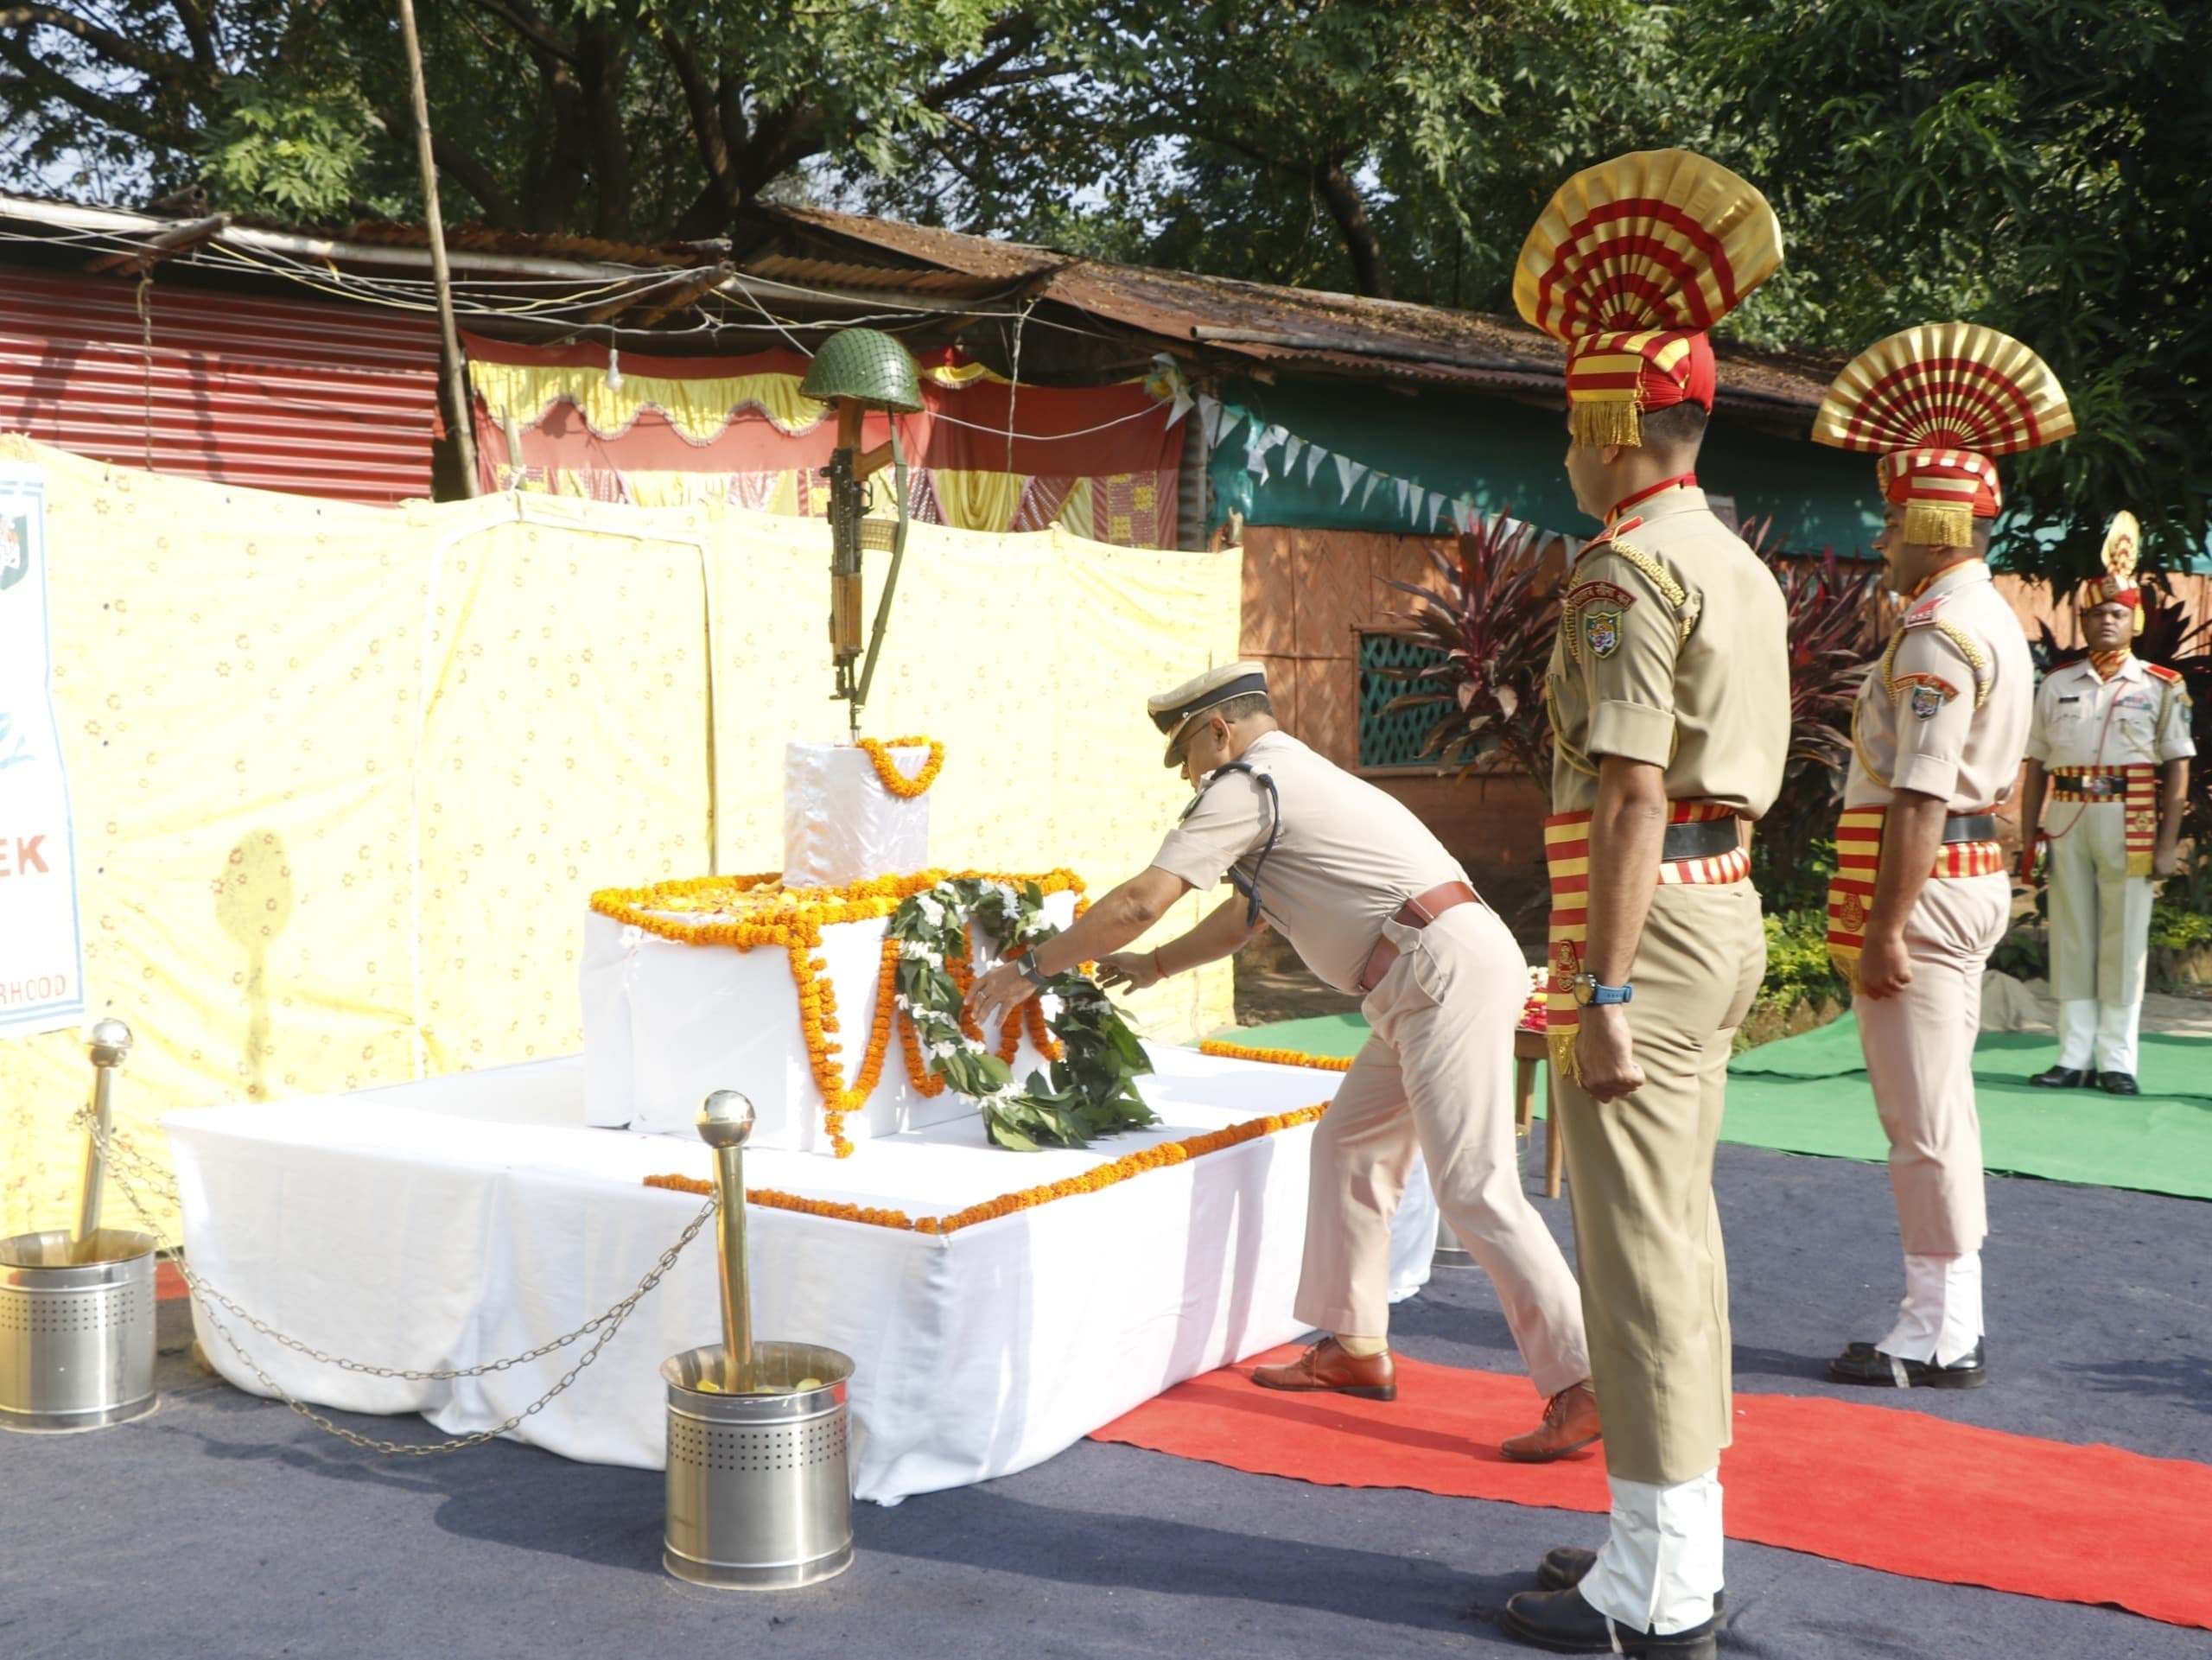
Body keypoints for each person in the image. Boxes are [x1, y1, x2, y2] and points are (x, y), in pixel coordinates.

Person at [964, 661, 1597, 1460]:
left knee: (1473, 1185)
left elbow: (1138, 901)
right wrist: (1155, 968)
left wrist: (1030, 968)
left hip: (1435, 972)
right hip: (1423, 972)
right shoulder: (1289, 778)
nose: (1188, 776)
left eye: (1188, 755)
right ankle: (1357, 1347)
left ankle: (1581, 1381)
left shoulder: (1247, 783)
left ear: (1217, 731)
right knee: (1350, 1143)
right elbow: (1241, 919)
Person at [1494, 149, 1789, 1660]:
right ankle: (1666, 1543)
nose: (1563, 453)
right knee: (1677, 1236)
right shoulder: (1734, 560)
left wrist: (1597, 995)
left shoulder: (1623, 573)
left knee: (1639, 1249)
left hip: (1647, 927)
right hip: (1719, 905)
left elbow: (1624, 791)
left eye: (1568, 420)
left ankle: (1659, 1591)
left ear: (1613, 423)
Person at [1808, 322, 2075, 1390]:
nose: (1880, 534)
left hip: (1923, 887)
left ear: (1930, 518)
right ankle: (1945, 1309)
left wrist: (1881, 926)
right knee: (1940, 1106)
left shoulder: (1934, 634)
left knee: (1917, 1115)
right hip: (1967, 878)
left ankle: (1938, 1324)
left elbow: (1919, 788)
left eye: (1891, 514)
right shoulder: (1990, 619)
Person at [2018, 512, 2195, 1094]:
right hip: (2068, 816)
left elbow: (2178, 763)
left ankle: (2117, 1059)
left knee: (2124, 936)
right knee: (2072, 934)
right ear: (2084, 619)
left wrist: (2169, 842)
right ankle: (2071, 1054)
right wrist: (2028, 834)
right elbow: (2037, 761)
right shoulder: (2057, 683)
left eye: (2118, 612)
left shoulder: (2161, 685)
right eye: (2097, 613)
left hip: (2133, 817)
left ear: (2135, 618)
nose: (2107, 622)